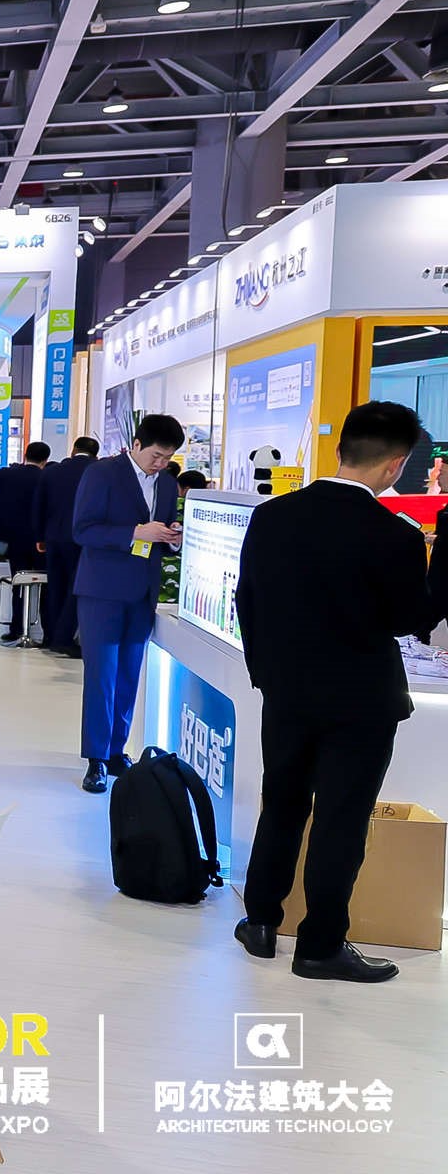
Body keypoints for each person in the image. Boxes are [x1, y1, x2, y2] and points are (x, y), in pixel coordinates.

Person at [234, 402, 432, 983]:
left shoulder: (272, 516)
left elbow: (248, 601)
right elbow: (410, 619)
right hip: (362, 701)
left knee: (283, 802)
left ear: (341, 448)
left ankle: (261, 921)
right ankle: (320, 946)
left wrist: (267, 673)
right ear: (395, 466)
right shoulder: (395, 534)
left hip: (287, 692)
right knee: (341, 819)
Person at [71, 414, 184, 793]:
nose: (160, 464)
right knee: (101, 675)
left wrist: (171, 538)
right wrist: (136, 532)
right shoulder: (102, 474)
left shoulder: (166, 484)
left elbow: (161, 530)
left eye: (167, 458)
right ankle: (96, 758)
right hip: (102, 590)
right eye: (155, 456)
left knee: (129, 675)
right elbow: (83, 530)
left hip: (142, 591)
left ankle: (116, 750)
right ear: (136, 445)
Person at [32, 435, 99, 657]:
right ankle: (64, 638)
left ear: (73, 450)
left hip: (53, 538)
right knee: (77, 587)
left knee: (55, 587)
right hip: (83, 539)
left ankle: (51, 636)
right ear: (95, 454)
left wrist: (40, 536)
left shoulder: (52, 471)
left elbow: (39, 506)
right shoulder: (98, 472)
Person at [0, 441, 50, 642]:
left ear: (25, 455)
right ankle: (48, 633)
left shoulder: (7, 474)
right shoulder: (47, 476)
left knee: (18, 583)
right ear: (45, 460)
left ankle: (16, 629)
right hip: (41, 541)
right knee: (45, 586)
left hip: (14, 539)